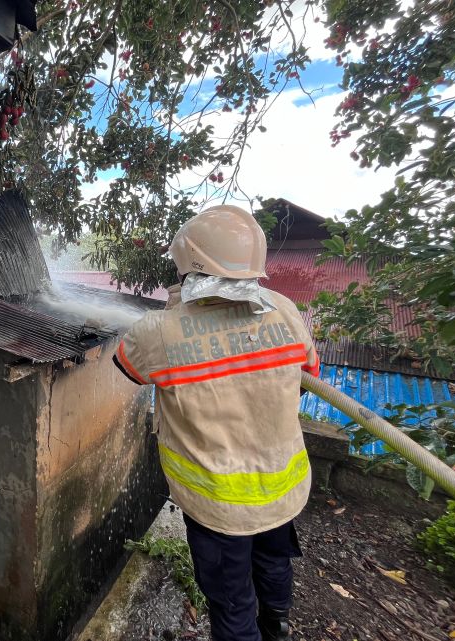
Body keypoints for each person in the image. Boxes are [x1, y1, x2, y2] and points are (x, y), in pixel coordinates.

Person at [113, 205, 320, 641]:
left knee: (231, 603)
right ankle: (278, 627)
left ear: (189, 264)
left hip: (218, 505)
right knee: (273, 565)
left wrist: (176, 308)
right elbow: (307, 377)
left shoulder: (159, 331)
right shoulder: (284, 310)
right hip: (281, 489)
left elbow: (127, 365)